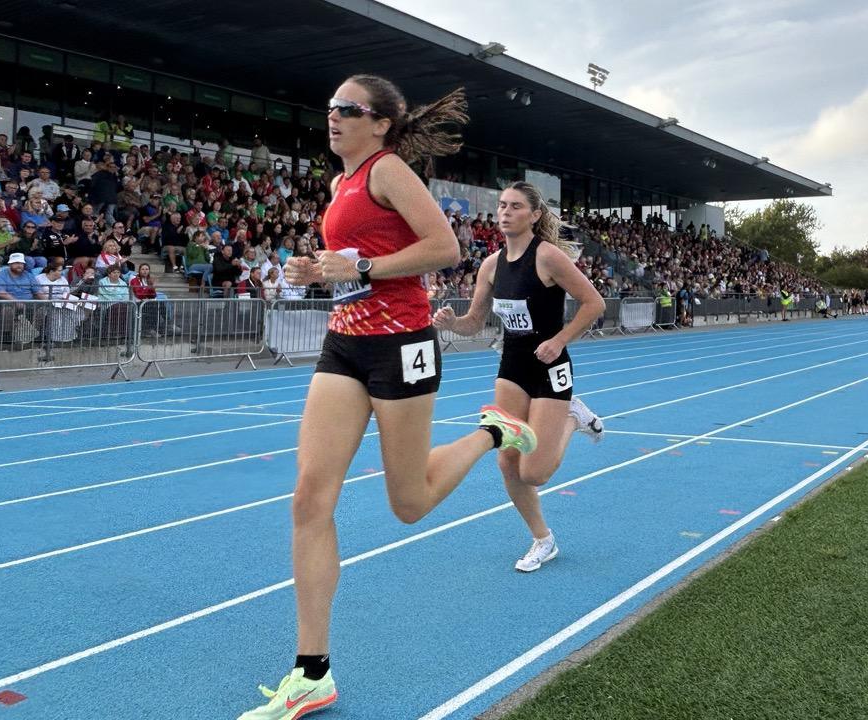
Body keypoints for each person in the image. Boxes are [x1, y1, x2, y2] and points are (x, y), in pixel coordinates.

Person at [237, 74, 537, 720]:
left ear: (380, 124)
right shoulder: (344, 182)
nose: (334, 117)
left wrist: (362, 269)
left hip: (402, 345)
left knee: (409, 503)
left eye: (349, 108)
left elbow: (445, 248)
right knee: (309, 497)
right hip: (344, 344)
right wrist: (318, 268)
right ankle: (311, 671)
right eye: (330, 107)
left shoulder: (387, 169)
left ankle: (491, 432)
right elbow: (356, 257)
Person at [432, 181, 605, 574]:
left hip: (550, 366)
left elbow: (593, 303)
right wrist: (451, 322)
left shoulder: (548, 257)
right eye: (502, 206)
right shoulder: (490, 265)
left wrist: (560, 340)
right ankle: (543, 540)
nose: (505, 212)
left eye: (515, 206)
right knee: (508, 460)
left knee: (535, 472)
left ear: (534, 215)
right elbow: (474, 322)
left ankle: (571, 417)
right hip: (512, 367)